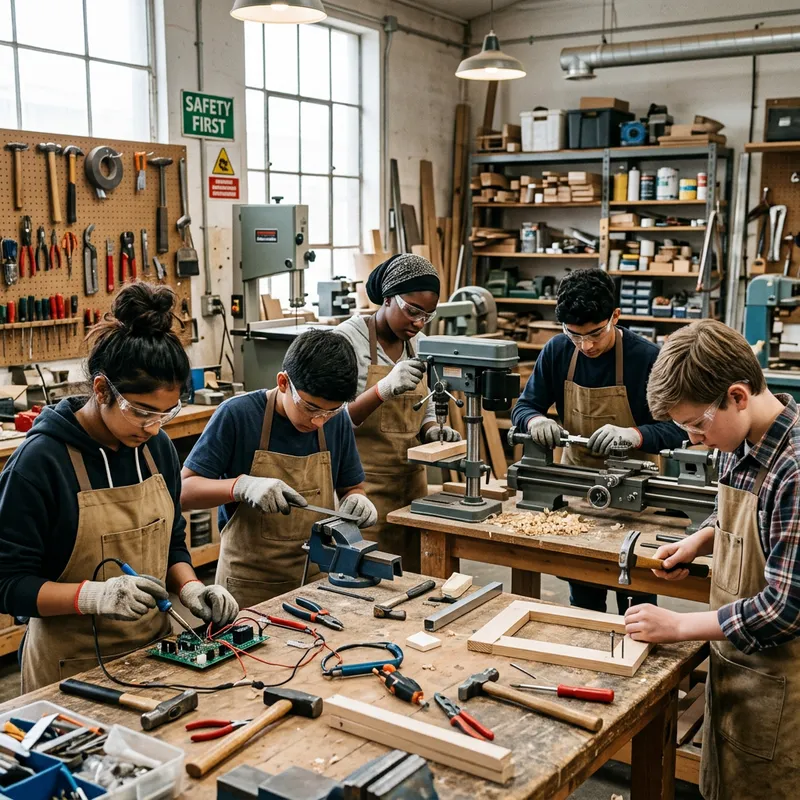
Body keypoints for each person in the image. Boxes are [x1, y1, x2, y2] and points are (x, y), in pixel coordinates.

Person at [0, 283, 239, 693]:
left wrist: (191, 586)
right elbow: (7, 585)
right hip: (69, 671)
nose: (152, 427)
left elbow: (171, 544)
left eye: (166, 414)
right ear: (101, 390)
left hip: (156, 654)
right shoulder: (41, 462)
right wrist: (93, 596)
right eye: (141, 412)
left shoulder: (156, 449)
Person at [625, 319, 800, 799]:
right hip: (738, 672)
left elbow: (784, 608)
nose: (694, 440)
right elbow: (734, 509)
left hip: (782, 690)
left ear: (738, 396)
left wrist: (680, 627)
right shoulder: (738, 438)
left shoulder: (795, 471)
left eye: (695, 425)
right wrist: (702, 538)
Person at [511, 268, 684, 614]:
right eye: (574, 335)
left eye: (594, 334)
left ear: (615, 316)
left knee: (637, 598)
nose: (585, 345)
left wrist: (635, 435)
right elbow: (524, 406)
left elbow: (681, 429)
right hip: (579, 491)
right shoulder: (558, 351)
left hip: (640, 496)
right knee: (584, 596)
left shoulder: (647, 358)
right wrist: (536, 420)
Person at [181, 328, 375, 609]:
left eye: (329, 412)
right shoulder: (237, 415)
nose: (319, 421)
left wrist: (358, 500)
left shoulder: (337, 421)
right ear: (283, 382)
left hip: (315, 585)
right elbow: (184, 492)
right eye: (310, 408)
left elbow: (351, 486)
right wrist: (241, 486)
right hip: (246, 590)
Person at [334, 254, 461, 571]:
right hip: (364, 492)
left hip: (413, 489)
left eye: (427, 316)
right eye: (412, 311)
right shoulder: (346, 341)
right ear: (387, 298)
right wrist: (381, 390)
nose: (418, 323)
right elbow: (331, 422)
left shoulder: (420, 343)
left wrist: (432, 430)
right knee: (367, 581)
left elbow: (427, 404)